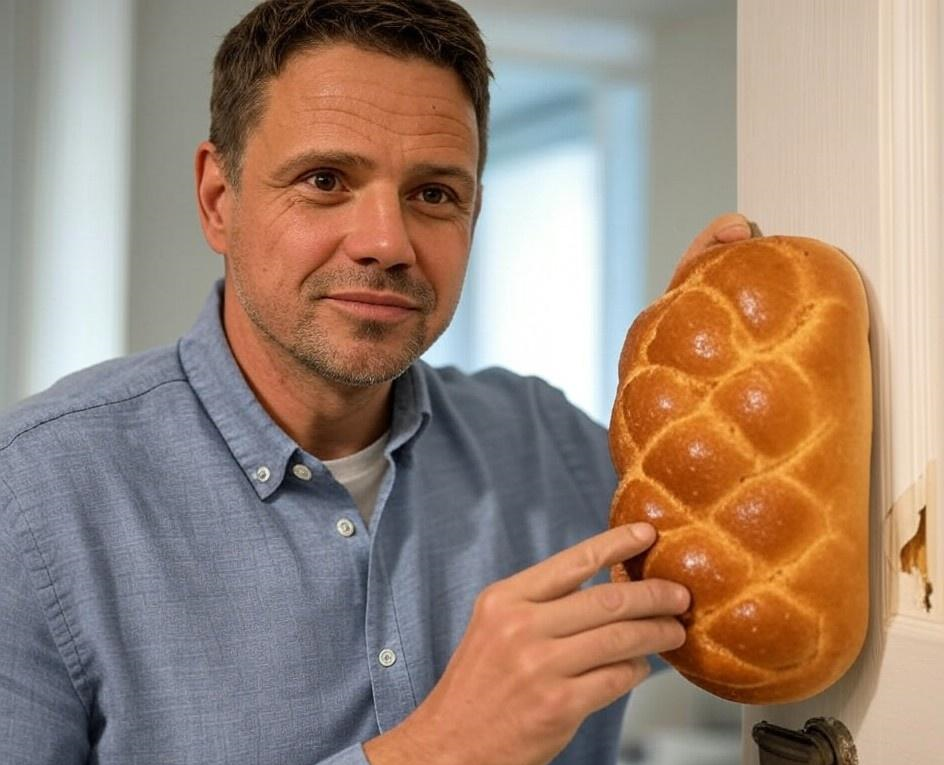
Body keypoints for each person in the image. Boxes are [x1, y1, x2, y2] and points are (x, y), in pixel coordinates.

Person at [0, 1, 753, 763]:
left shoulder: (548, 440)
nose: (387, 242)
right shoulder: (30, 497)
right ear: (218, 201)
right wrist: (437, 750)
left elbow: (753, 593)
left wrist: (711, 387)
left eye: (434, 194)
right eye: (325, 180)